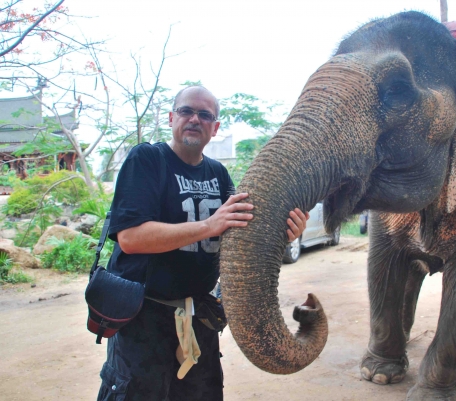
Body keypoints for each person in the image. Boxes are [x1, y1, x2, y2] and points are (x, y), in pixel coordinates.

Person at [97, 85, 308, 401]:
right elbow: (130, 238)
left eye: (205, 115)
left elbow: (238, 231)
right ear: (171, 118)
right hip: (144, 322)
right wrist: (208, 225)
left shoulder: (218, 173)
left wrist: (283, 232)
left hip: (201, 320)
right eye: (186, 111)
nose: (194, 119)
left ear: (215, 127)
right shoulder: (147, 160)